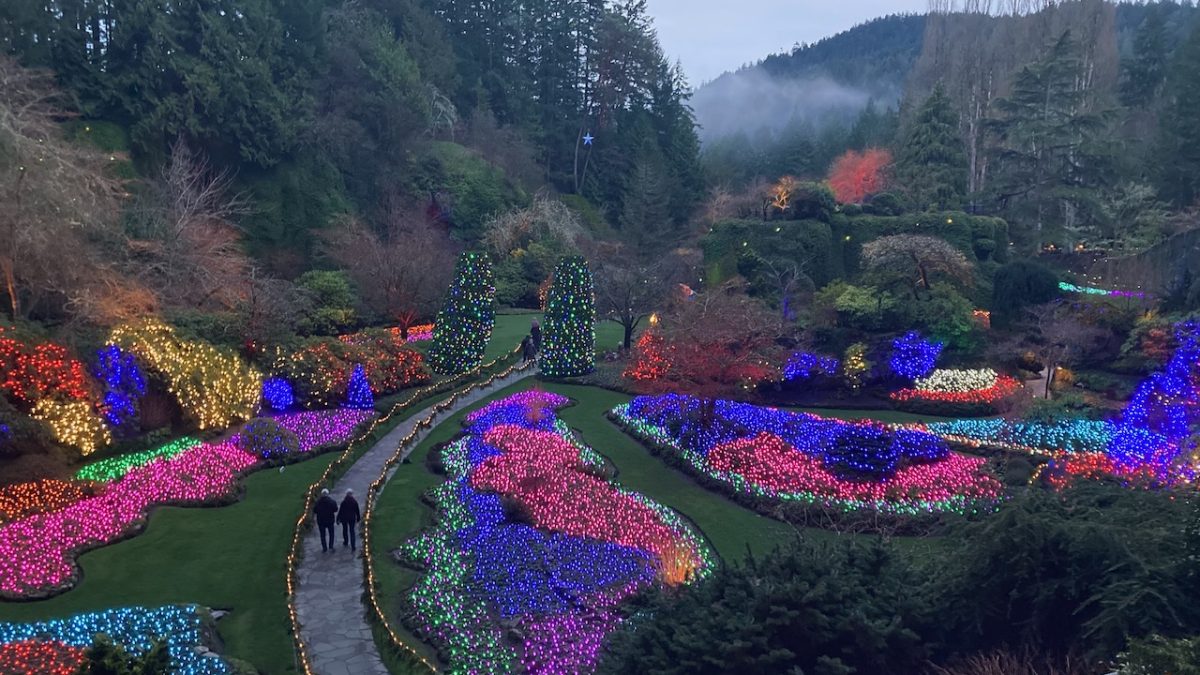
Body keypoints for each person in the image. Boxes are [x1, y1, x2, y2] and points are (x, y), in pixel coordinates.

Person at [313, 488, 338, 552]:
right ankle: (331, 546)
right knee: (331, 534)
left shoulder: (318, 502)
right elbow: (335, 509)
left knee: (322, 535)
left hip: (321, 521)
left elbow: (315, 510)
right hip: (330, 520)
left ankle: (324, 548)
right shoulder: (332, 501)